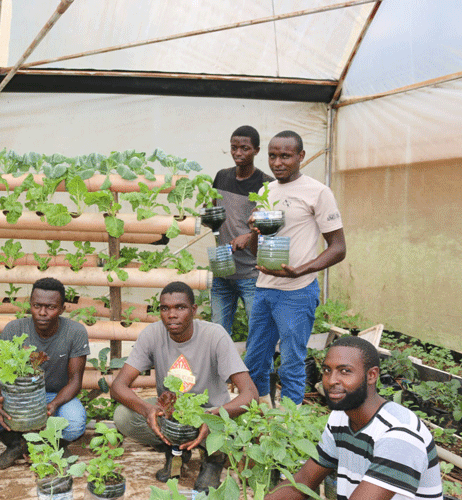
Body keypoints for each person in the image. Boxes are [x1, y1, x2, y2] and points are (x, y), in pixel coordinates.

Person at [110, 281, 258, 492]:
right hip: (172, 415)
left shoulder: (214, 335)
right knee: (124, 416)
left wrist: (216, 416)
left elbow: (250, 393)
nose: (172, 314)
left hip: (211, 414)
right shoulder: (152, 334)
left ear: (194, 310)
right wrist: (148, 410)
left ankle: (213, 459)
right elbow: (118, 387)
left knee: (238, 420)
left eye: (180, 307)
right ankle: (174, 450)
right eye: (165, 308)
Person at [265, 336, 442, 500]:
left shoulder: (400, 434)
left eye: (345, 371)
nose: (331, 380)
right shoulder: (340, 417)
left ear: (372, 375)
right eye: (327, 370)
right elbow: (303, 480)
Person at [243, 130, 346, 406]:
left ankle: (290, 422)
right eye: (273, 156)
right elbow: (257, 249)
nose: (278, 163)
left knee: (291, 362)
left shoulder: (318, 192)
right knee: (255, 359)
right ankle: (261, 413)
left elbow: (338, 248)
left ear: (300, 157)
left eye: (286, 156)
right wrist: (254, 231)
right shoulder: (266, 191)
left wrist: (300, 270)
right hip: (265, 288)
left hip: (297, 291)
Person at [0, 277, 90, 469]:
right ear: (30, 304)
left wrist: (53, 405)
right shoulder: (15, 329)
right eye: (37, 305)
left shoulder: (75, 332)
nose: (42, 313)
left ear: (62, 309)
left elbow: (75, 381)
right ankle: (15, 445)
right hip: (18, 395)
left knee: (75, 423)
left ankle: (55, 446)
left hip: (55, 396)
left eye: (50, 307)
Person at [210, 125, 274, 337]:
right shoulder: (221, 176)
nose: (238, 153)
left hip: (251, 272)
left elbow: (274, 228)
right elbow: (214, 210)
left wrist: (249, 235)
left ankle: (257, 370)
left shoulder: (267, 184)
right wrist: (207, 216)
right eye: (234, 147)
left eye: (245, 148)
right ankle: (222, 371)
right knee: (218, 331)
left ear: (256, 150)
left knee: (258, 331)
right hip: (223, 268)